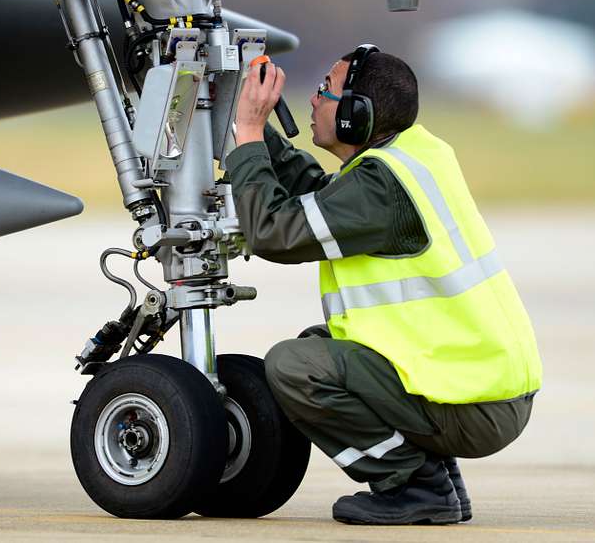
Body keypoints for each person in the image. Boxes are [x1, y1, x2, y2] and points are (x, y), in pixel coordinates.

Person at [223, 45, 542, 525]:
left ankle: (414, 486)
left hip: (475, 407)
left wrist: (247, 135)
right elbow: (319, 198)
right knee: (321, 348)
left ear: (356, 115)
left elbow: (273, 231)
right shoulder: (408, 157)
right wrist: (250, 122)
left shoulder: (380, 188)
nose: (313, 100)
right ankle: (437, 479)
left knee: (295, 366)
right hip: (481, 391)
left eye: (324, 90)